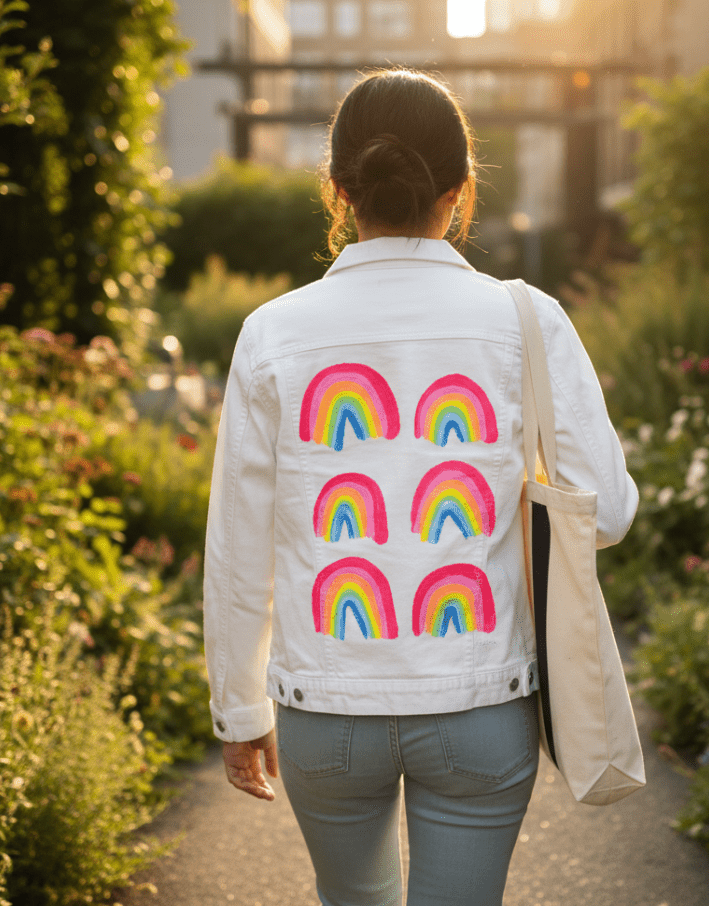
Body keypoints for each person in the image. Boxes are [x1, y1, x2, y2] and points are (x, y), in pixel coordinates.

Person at [203, 68, 638, 906]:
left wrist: (239, 709)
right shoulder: (526, 318)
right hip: (479, 704)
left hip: (325, 714)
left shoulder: (272, 334)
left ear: (338, 192)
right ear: (462, 189)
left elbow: (238, 544)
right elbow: (607, 512)